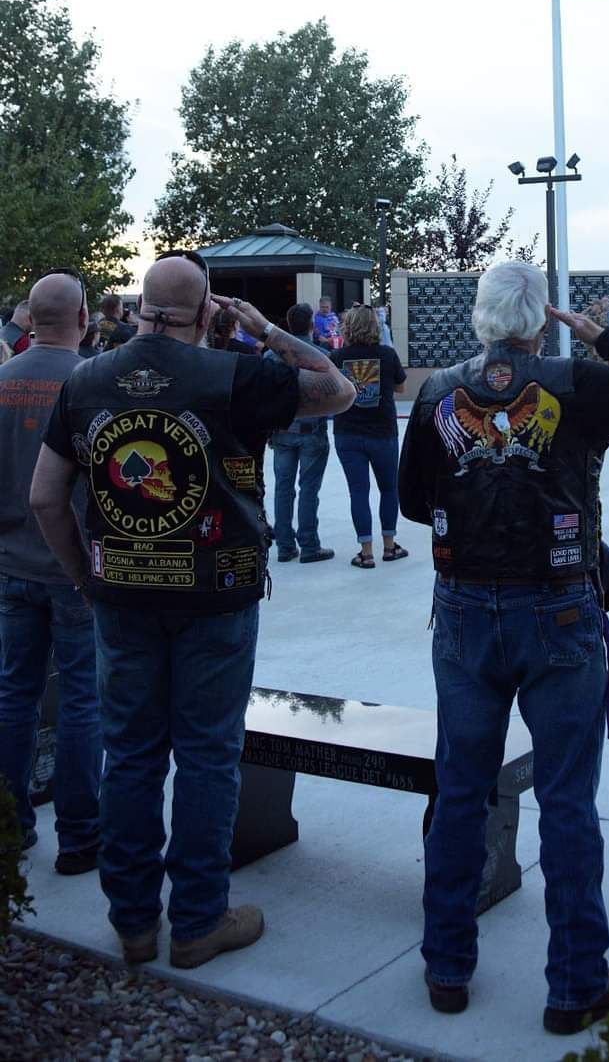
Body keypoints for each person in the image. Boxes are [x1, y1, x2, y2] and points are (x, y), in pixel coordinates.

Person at [398, 262, 609, 1035]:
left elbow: (410, 500)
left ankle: (446, 966)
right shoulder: (576, 382)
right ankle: (574, 985)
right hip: (559, 610)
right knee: (566, 800)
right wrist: (604, 336)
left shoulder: (439, 390)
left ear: (480, 318)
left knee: (462, 790)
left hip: (466, 607)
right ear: (543, 320)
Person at [30, 253, 354, 970]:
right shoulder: (238, 376)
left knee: (133, 753)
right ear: (208, 309)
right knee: (207, 756)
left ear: (141, 306)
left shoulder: (86, 379)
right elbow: (337, 390)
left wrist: (85, 575)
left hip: (122, 595)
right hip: (217, 593)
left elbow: (45, 496)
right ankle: (200, 922)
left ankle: (134, 923)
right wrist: (265, 329)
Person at [0, 271, 100, 874]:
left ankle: (10, 829)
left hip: (11, 567)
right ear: (84, 318)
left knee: (14, 696)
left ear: (29, 319)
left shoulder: (1, 382)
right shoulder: (91, 382)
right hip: (76, 570)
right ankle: (81, 836)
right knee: (84, 700)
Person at [333, 305, 408, 568]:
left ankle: (365, 552)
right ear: (376, 327)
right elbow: (401, 385)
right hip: (382, 432)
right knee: (389, 489)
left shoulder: (336, 356)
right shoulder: (387, 355)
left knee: (358, 492)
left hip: (347, 432)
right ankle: (390, 546)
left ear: (348, 327)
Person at [269, 303, 334, 564]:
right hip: (312, 430)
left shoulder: (271, 357)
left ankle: (284, 545)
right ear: (311, 325)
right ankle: (309, 545)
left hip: (282, 431)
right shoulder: (321, 356)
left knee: (283, 488)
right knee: (309, 489)